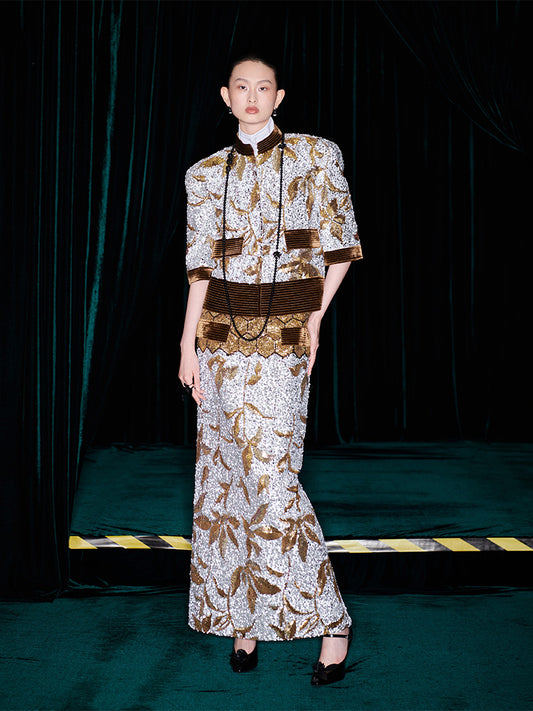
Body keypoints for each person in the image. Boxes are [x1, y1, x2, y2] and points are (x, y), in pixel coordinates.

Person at [178, 55, 362, 686]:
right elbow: (199, 269)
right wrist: (186, 345)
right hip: (218, 345)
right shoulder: (204, 175)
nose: (252, 96)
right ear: (225, 97)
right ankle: (244, 618)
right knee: (225, 482)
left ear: (278, 96)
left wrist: (316, 318)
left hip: (283, 343)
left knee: (271, 478)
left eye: (263, 88)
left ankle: (332, 619)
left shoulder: (315, 155)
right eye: (241, 88)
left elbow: (340, 247)